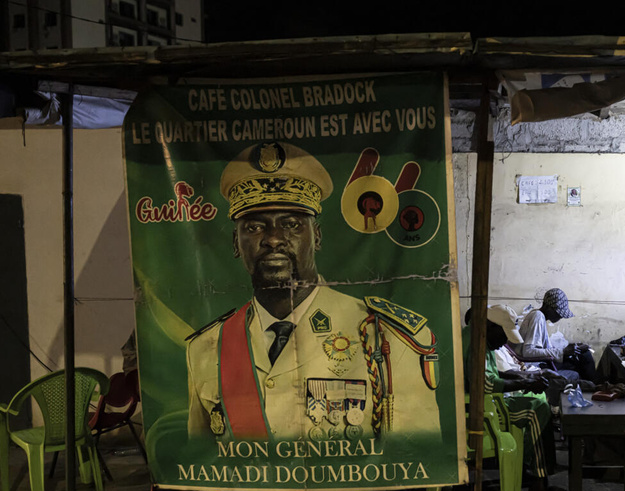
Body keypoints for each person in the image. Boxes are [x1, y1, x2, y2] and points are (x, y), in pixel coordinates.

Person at [187, 141, 440, 442]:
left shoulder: (385, 337)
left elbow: (412, 461)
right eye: (254, 227)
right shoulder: (206, 348)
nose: (273, 239)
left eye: (292, 224)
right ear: (235, 243)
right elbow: (202, 466)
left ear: (317, 236)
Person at [463, 305, 570, 491]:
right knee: (537, 411)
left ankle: (533, 469)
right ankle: (539, 485)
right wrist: (526, 382)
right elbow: (485, 383)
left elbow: (489, 374)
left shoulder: (474, 336)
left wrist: (526, 377)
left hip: (479, 403)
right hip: (480, 411)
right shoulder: (476, 345)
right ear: (489, 325)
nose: (504, 342)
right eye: (503, 335)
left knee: (537, 404)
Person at [512, 288, 597, 383]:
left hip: (543, 361)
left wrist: (570, 348)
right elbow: (528, 352)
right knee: (584, 358)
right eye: (558, 312)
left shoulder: (539, 316)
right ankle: (594, 387)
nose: (560, 316)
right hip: (537, 365)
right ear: (548, 307)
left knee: (583, 354)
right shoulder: (537, 316)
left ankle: (592, 386)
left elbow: (541, 348)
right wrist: (562, 352)